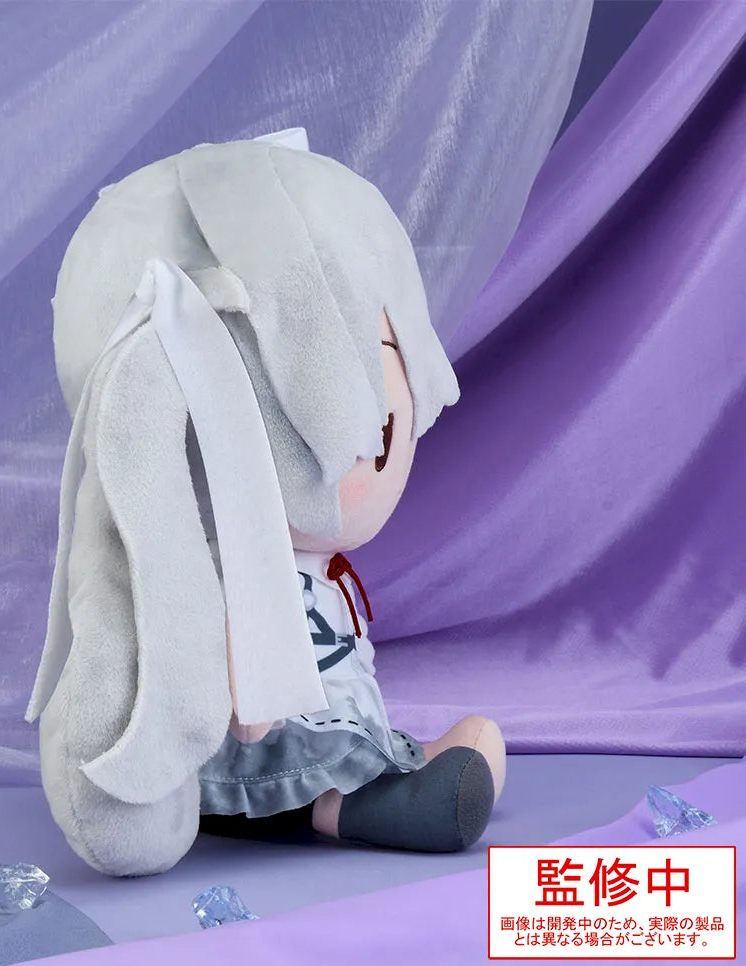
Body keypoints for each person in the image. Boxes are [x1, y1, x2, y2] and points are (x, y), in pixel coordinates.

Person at [27, 129, 505, 877]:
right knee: (304, 763)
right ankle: (345, 805)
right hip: (266, 735)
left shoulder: (318, 565)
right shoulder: (230, 568)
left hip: (318, 713)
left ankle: (378, 766)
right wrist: (252, 697)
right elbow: (221, 640)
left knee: (367, 737)